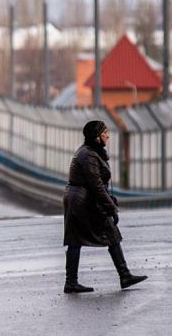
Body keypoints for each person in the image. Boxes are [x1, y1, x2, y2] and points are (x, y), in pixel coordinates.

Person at [63, 120, 147, 293]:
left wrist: (109, 203)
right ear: (96, 136)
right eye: (105, 132)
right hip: (82, 200)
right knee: (102, 233)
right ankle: (123, 275)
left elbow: (97, 185)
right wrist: (111, 208)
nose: (108, 136)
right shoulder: (88, 155)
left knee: (80, 238)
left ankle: (72, 282)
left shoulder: (90, 152)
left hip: (80, 198)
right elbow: (96, 185)